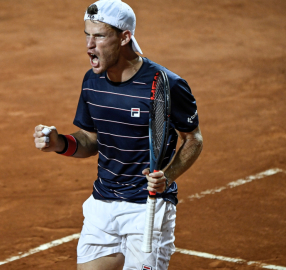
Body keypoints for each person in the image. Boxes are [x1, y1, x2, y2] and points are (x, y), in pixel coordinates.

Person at [33, 0, 203, 269]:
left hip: (148, 207)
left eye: (99, 35)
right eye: (87, 34)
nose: (89, 44)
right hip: (103, 204)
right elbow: (91, 140)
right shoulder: (92, 82)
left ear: (125, 37)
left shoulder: (166, 84)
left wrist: (167, 177)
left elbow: (193, 138)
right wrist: (58, 143)